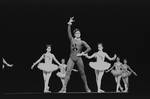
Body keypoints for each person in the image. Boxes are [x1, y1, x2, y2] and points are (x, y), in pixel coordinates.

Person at [59, 17, 91, 93]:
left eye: (79, 33)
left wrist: (83, 53)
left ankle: (86, 86)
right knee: (68, 72)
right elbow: (68, 32)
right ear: (74, 34)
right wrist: (69, 23)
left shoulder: (82, 42)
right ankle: (64, 88)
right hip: (71, 57)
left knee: (82, 72)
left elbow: (89, 48)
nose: (78, 34)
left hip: (78, 58)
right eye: (76, 33)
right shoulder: (72, 39)